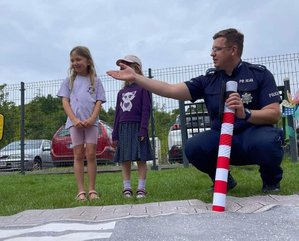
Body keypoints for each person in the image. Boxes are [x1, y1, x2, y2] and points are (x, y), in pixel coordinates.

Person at [107, 28, 284, 193]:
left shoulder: (259, 74)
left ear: (233, 50)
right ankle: (222, 179)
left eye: (217, 49)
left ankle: (270, 181)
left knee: (268, 141)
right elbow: (170, 89)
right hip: (221, 136)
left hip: (251, 135)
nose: (211, 53)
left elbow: (274, 113)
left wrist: (246, 113)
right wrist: (136, 77)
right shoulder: (208, 80)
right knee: (194, 147)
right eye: (212, 49)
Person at [58, 46, 106, 201]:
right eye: (72, 60)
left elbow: (99, 101)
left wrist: (92, 119)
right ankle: (81, 192)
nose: (75, 63)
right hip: (75, 124)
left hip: (91, 123)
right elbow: (65, 102)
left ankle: (92, 190)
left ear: (88, 61)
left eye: (78, 59)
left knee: (91, 154)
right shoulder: (69, 81)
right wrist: (74, 119)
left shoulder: (96, 81)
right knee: (78, 155)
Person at [112, 55, 153, 198]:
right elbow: (117, 113)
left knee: (140, 158)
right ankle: (127, 188)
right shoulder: (120, 93)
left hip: (137, 127)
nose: (123, 71)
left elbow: (146, 110)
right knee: (125, 158)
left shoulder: (143, 88)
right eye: (121, 68)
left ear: (136, 68)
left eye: (126, 67)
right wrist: (115, 133)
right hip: (123, 128)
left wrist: (143, 128)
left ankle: (141, 188)